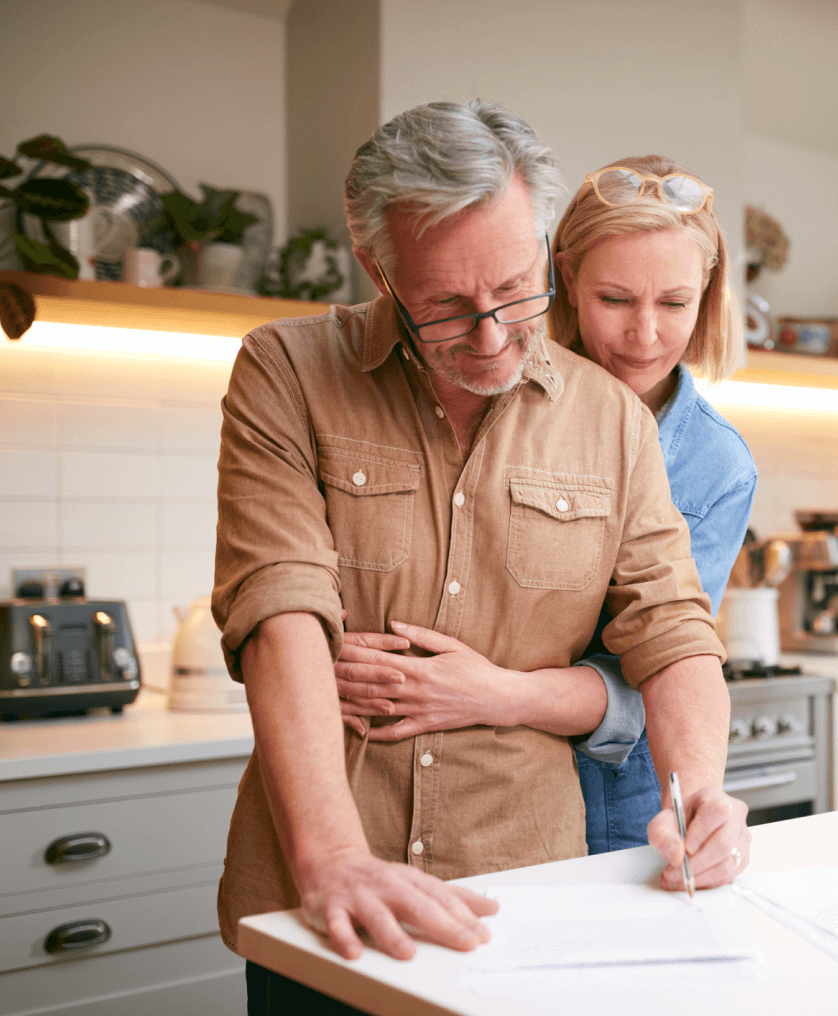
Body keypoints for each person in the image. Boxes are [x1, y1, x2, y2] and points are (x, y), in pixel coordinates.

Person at [212, 100, 747, 1011]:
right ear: (378, 266)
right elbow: (280, 606)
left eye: (514, 290)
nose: (494, 337)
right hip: (322, 896)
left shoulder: (613, 420)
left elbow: (672, 629)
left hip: (525, 893)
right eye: (448, 309)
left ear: (544, 250)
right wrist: (333, 856)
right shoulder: (287, 372)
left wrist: (700, 793)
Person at [338, 156, 757, 857]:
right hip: (452, 789)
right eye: (615, 300)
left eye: (674, 303)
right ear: (558, 276)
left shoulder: (716, 462)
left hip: (623, 797)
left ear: (708, 294)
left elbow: (654, 666)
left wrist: (494, 690)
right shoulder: (485, 379)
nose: (645, 334)